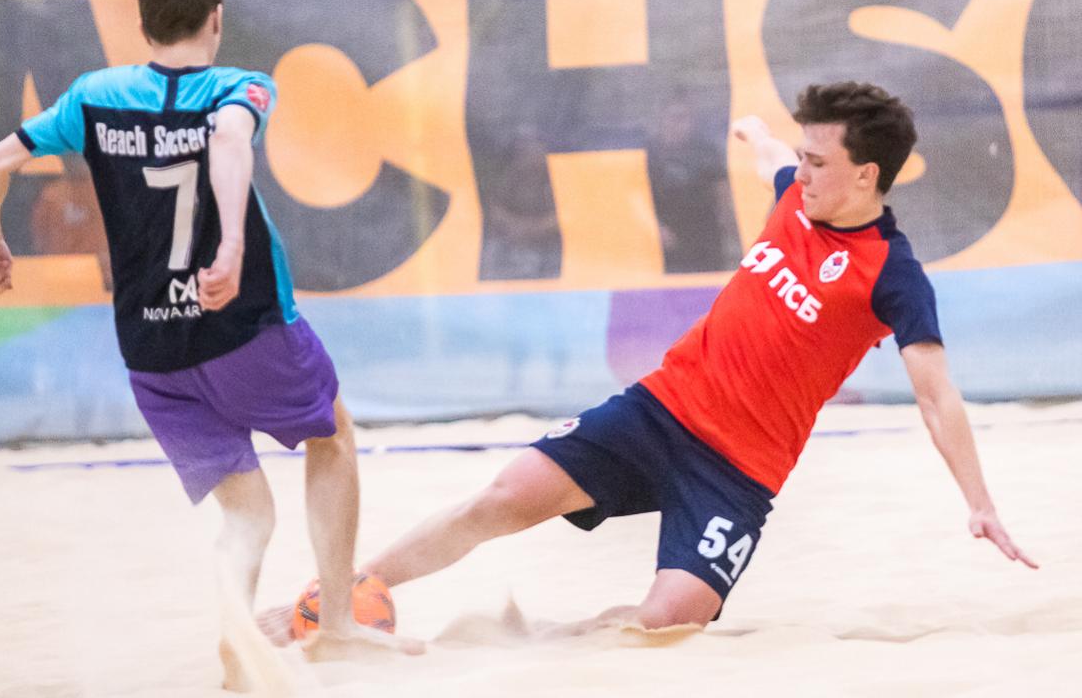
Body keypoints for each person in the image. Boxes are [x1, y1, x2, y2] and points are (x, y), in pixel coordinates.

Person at [260, 81, 1036, 641]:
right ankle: (334, 596)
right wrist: (753, 132)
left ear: (865, 175)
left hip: (738, 472)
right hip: (658, 410)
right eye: (798, 159)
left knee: (666, 622)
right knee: (502, 497)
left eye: (816, 162)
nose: (799, 172)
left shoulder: (892, 273)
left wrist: (978, 501)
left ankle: (525, 645)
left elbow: (935, 395)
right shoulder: (794, 194)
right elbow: (772, 155)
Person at [0, 0, 418, 690]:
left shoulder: (93, 97)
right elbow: (230, 139)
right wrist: (231, 246)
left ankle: (238, 645)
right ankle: (337, 625)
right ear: (216, 18)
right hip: (241, 322)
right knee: (332, 436)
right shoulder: (239, 86)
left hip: (150, 348)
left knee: (247, 516)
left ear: (143, 24)